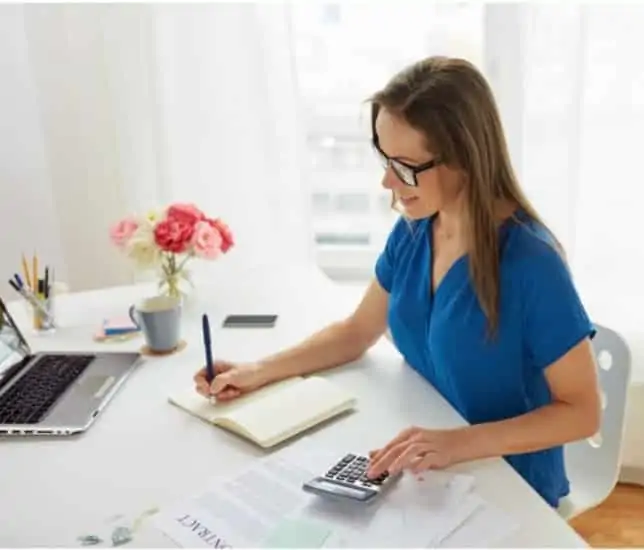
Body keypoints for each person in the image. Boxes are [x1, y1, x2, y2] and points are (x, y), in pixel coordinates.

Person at [194, 56, 601, 509]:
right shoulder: (415, 230)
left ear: (464, 158)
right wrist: (256, 371)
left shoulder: (532, 263)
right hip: (427, 465)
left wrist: (457, 444)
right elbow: (356, 332)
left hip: (505, 482)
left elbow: (582, 412)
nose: (387, 180)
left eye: (404, 166)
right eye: (384, 159)